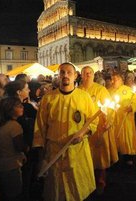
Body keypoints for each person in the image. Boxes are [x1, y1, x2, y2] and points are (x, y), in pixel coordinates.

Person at [33, 63, 98, 201]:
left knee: (78, 190)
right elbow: (40, 128)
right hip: (55, 153)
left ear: (75, 76)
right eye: (62, 72)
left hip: (77, 152)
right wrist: (41, 157)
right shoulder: (48, 98)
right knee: (57, 191)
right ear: (58, 76)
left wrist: (84, 134)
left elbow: (93, 122)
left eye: (69, 72)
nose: (65, 75)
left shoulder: (84, 97)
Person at [79, 66, 118, 194]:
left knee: (100, 155)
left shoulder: (100, 89)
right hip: (83, 129)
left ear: (93, 74)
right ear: (81, 75)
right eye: (85, 73)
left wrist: (109, 121)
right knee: (86, 157)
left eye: (90, 73)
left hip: (99, 127)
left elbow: (110, 107)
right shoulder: (78, 90)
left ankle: (101, 181)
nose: (87, 75)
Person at [0, 97, 28, 200]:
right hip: (11, 167)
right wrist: (27, 147)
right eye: (18, 106)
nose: (22, 107)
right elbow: (19, 146)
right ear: (10, 109)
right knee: (14, 196)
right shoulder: (14, 126)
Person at [109, 72, 136, 166]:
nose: (113, 81)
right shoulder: (108, 91)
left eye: (116, 79)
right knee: (115, 137)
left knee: (127, 137)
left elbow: (135, 100)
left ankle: (128, 156)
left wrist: (131, 107)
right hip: (114, 119)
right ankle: (116, 155)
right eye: (112, 79)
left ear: (121, 80)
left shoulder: (127, 90)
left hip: (126, 119)